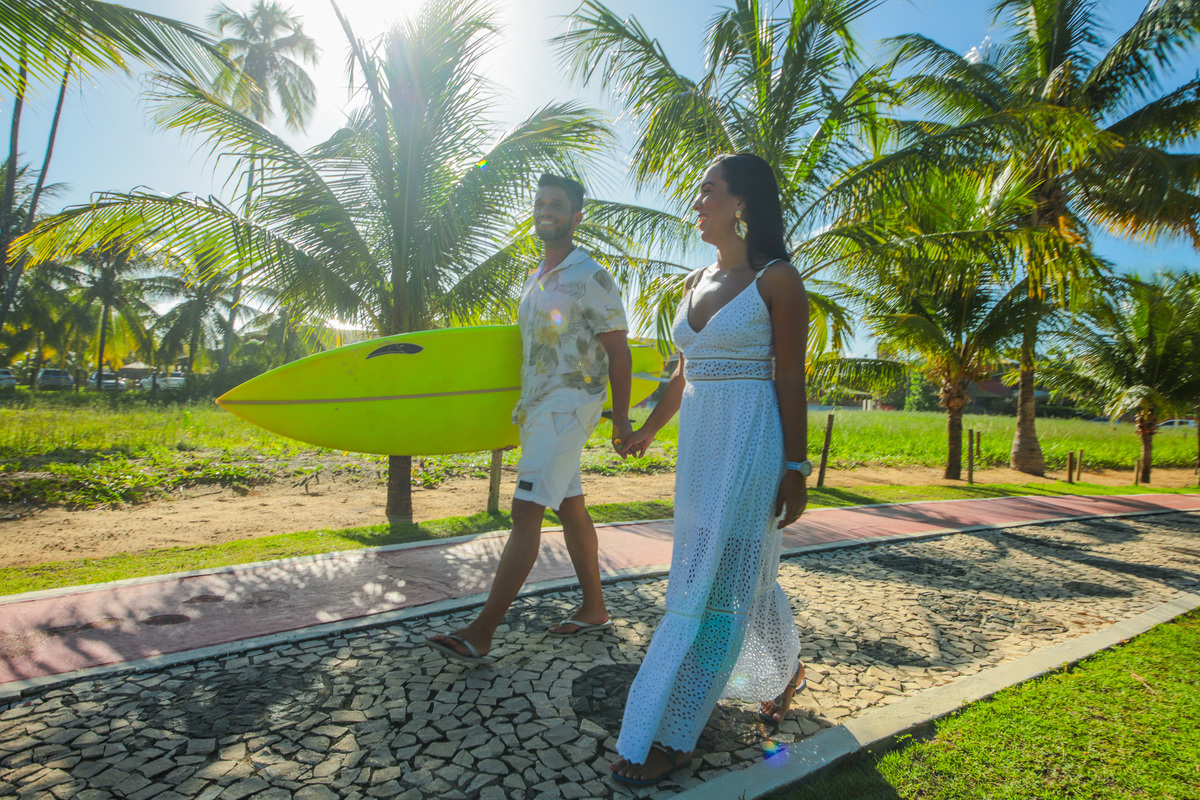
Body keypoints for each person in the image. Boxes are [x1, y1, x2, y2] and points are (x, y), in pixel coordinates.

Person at [609, 153, 811, 785]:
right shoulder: (695, 280)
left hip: (751, 446)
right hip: (700, 455)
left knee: (711, 590)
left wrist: (797, 467)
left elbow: (790, 377)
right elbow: (685, 371)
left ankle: (671, 733)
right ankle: (785, 669)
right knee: (737, 573)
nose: (697, 202)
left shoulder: (778, 280)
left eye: (709, 192)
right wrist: (646, 430)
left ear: (742, 205)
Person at [426, 173, 633, 664]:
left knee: (525, 513)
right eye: (540, 202)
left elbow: (618, 353)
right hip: (538, 408)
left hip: (569, 406)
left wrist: (620, 420)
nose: (547, 210)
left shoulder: (591, 275)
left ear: (576, 216)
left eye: (557, 204)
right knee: (571, 507)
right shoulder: (535, 277)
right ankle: (595, 607)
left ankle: (482, 631)